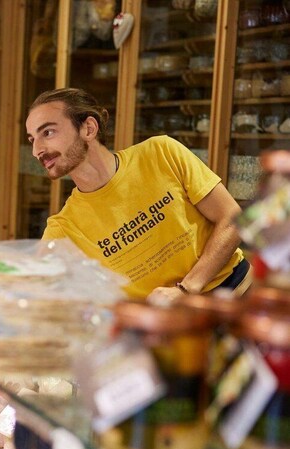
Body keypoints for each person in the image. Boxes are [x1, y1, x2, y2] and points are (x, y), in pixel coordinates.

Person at [25, 87, 250, 302]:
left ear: (89, 129)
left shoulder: (161, 153)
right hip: (169, 324)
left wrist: (187, 288)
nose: (37, 150)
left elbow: (232, 218)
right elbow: (38, 293)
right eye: (32, 140)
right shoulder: (62, 230)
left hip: (238, 293)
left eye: (48, 132)